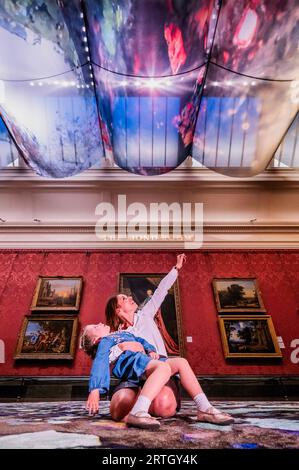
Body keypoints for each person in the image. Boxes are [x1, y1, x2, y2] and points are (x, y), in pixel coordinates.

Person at [105, 254, 234, 425]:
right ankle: (139, 408)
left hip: (161, 367)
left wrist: (176, 268)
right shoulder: (116, 334)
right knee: (119, 405)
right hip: (134, 375)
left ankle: (204, 408)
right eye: (124, 299)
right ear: (118, 311)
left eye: (128, 296)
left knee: (164, 406)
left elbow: (160, 292)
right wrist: (123, 348)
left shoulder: (145, 314)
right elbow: (108, 359)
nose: (130, 298)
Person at [80, 322, 234, 429]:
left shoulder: (125, 333)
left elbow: (141, 341)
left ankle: (204, 408)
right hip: (132, 362)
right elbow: (100, 362)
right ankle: (138, 411)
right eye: (95, 327)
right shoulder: (106, 341)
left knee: (181, 362)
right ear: (96, 340)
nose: (100, 323)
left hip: (147, 359)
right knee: (163, 368)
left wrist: (151, 349)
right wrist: (95, 389)